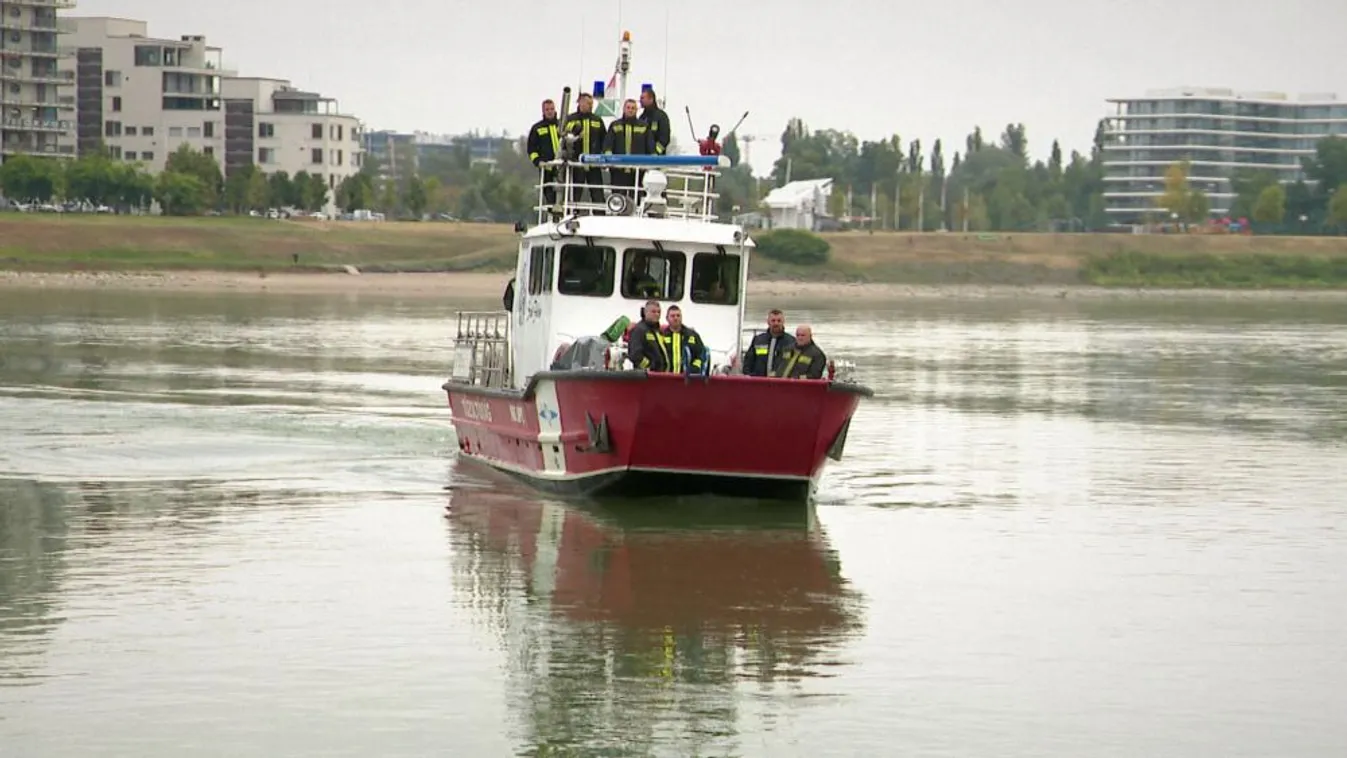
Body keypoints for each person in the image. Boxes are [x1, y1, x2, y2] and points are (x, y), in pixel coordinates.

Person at [562, 93, 607, 208]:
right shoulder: (571, 118)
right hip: (576, 163)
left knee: (597, 194)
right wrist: (574, 129)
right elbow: (562, 131)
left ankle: (599, 214)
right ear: (580, 103)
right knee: (575, 193)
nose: (590, 105)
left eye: (591, 103)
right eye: (588, 103)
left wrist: (604, 158)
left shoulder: (597, 120)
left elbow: (604, 140)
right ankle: (572, 213)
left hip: (594, 163)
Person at [604, 98, 651, 200]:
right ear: (624, 109)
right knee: (617, 198)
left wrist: (652, 164)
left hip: (638, 171)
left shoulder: (644, 126)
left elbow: (650, 147)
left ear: (637, 110)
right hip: (618, 171)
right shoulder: (615, 125)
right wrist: (609, 158)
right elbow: (608, 145)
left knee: (637, 199)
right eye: (628, 108)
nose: (630, 110)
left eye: (633, 108)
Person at [526, 99, 562, 208]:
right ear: (543, 111)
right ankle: (552, 212)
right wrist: (538, 162)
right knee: (548, 192)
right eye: (547, 109)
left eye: (552, 109)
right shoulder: (537, 128)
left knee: (566, 191)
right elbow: (531, 149)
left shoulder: (562, 125)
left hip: (563, 166)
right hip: (546, 167)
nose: (550, 111)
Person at [740, 308, 795, 377]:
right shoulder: (758, 340)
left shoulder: (791, 342)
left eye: (779, 321)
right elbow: (748, 361)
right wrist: (748, 375)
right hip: (759, 381)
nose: (776, 323)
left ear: (783, 322)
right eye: (773, 320)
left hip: (781, 382)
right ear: (768, 322)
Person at [659, 305, 707, 375]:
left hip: (687, 379)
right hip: (666, 377)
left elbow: (702, 353)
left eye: (678, 316)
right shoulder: (661, 335)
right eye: (672, 316)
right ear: (667, 318)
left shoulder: (692, 335)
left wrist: (695, 367)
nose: (676, 318)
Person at [626, 299, 667, 372]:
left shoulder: (658, 331)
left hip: (659, 374)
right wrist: (649, 366)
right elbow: (635, 355)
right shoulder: (639, 330)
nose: (657, 314)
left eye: (659, 312)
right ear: (645, 312)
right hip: (646, 376)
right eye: (653, 312)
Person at [639, 88, 671, 156]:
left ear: (651, 99)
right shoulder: (641, 117)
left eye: (642, 98)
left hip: (657, 160)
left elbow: (665, 138)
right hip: (642, 159)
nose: (640, 100)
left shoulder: (661, 116)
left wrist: (655, 152)